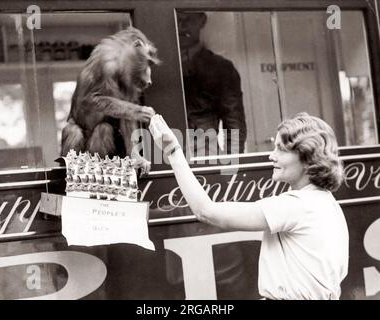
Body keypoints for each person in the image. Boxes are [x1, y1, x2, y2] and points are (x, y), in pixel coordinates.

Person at [149, 112, 349, 300]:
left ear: (307, 158)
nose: (272, 156)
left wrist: (173, 151)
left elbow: (206, 211)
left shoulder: (298, 206)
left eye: (281, 149)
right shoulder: (328, 205)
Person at [177, 12, 247, 155]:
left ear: (202, 20)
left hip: (205, 159)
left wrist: (231, 167)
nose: (181, 26)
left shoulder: (221, 68)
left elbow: (234, 123)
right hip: (162, 158)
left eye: (188, 18)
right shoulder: (154, 68)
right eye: (177, 19)